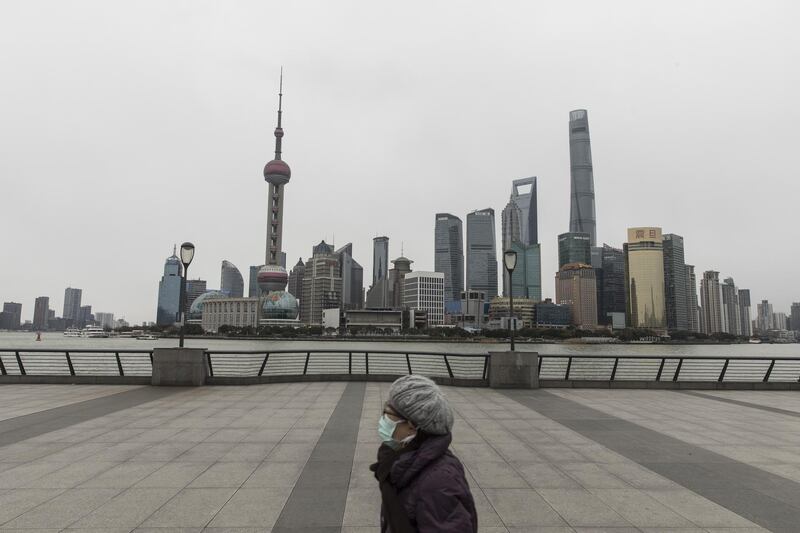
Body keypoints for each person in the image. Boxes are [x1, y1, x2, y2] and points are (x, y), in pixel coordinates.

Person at [370, 375, 477, 532]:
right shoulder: (401, 460)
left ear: (412, 426)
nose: (383, 419)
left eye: (388, 414)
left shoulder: (437, 483)